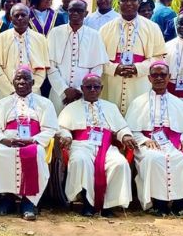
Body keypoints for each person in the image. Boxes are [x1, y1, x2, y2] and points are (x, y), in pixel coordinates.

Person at [126, 62, 183, 216]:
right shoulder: (138, 102)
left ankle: (181, 203)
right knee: (155, 158)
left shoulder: (178, 103)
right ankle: (159, 203)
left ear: (169, 77)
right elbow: (132, 130)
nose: (159, 78)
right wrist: (144, 140)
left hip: (174, 142)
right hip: (148, 142)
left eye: (163, 75)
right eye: (155, 75)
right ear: (149, 78)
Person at [56, 73, 137, 217]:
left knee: (119, 163)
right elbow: (62, 128)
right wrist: (67, 136)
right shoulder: (71, 108)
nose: (92, 89)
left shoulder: (110, 107)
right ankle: (88, 203)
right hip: (81, 145)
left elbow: (121, 128)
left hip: (106, 146)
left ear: (101, 88)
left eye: (96, 87)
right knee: (80, 161)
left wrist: (125, 136)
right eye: (88, 87)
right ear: (82, 88)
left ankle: (108, 205)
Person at [0, 66, 58, 220]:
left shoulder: (45, 103)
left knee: (37, 153)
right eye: (18, 78)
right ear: (13, 82)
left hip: (33, 140)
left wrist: (33, 140)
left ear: (33, 82)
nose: (22, 82)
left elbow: (50, 129)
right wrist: (5, 140)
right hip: (8, 141)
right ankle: (6, 198)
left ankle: (29, 201)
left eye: (26, 79)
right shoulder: (3, 103)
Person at [99, 0, 167, 115]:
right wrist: (114, 68)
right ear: (118, 3)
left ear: (138, 3)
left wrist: (138, 68)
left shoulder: (152, 28)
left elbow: (159, 58)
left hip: (140, 83)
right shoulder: (105, 29)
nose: (129, 3)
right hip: (112, 83)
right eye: (124, 0)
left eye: (133, 0)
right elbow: (98, 59)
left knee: (138, 118)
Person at [47, 0, 108, 114]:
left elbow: (97, 68)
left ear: (86, 13)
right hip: (58, 93)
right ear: (67, 12)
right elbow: (50, 66)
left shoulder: (94, 36)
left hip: (84, 94)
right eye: (72, 10)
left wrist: (81, 90)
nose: (75, 13)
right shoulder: (55, 33)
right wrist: (64, 90)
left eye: (79, 11)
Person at [0, 3, 49, 103]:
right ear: (11, 18)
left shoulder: (40, 39)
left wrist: (30, 90)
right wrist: (11, 91)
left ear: (29, 18)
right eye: (16, 15)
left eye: (23, 15)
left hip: (32, 93)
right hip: (5, 93)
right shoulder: (1, 38)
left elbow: (42, 70)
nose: (20, 18)